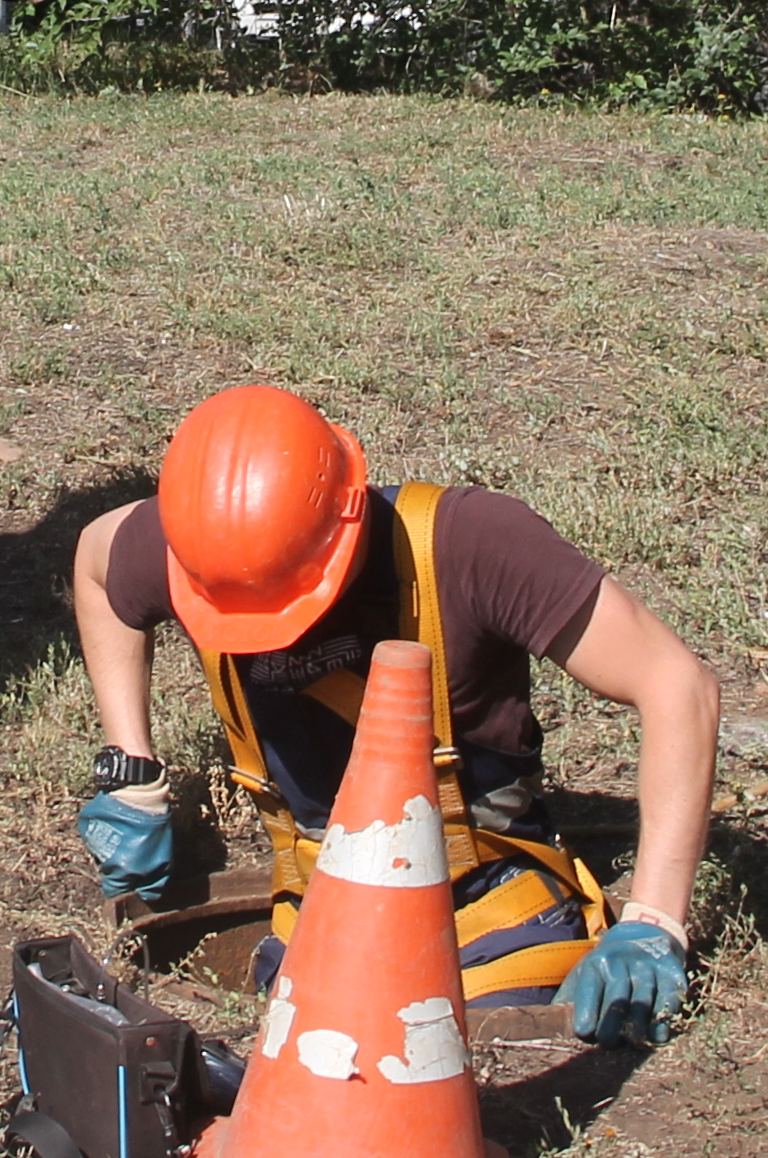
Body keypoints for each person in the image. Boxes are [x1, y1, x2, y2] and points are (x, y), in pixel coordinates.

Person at [66, 385, 718, 1045]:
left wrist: (654, 919)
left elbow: (677, 685)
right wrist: (132, 775)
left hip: (485, 922)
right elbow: (96, 563)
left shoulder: (470, 547)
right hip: (315, 921)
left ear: (348, 518)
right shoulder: (205, 551)